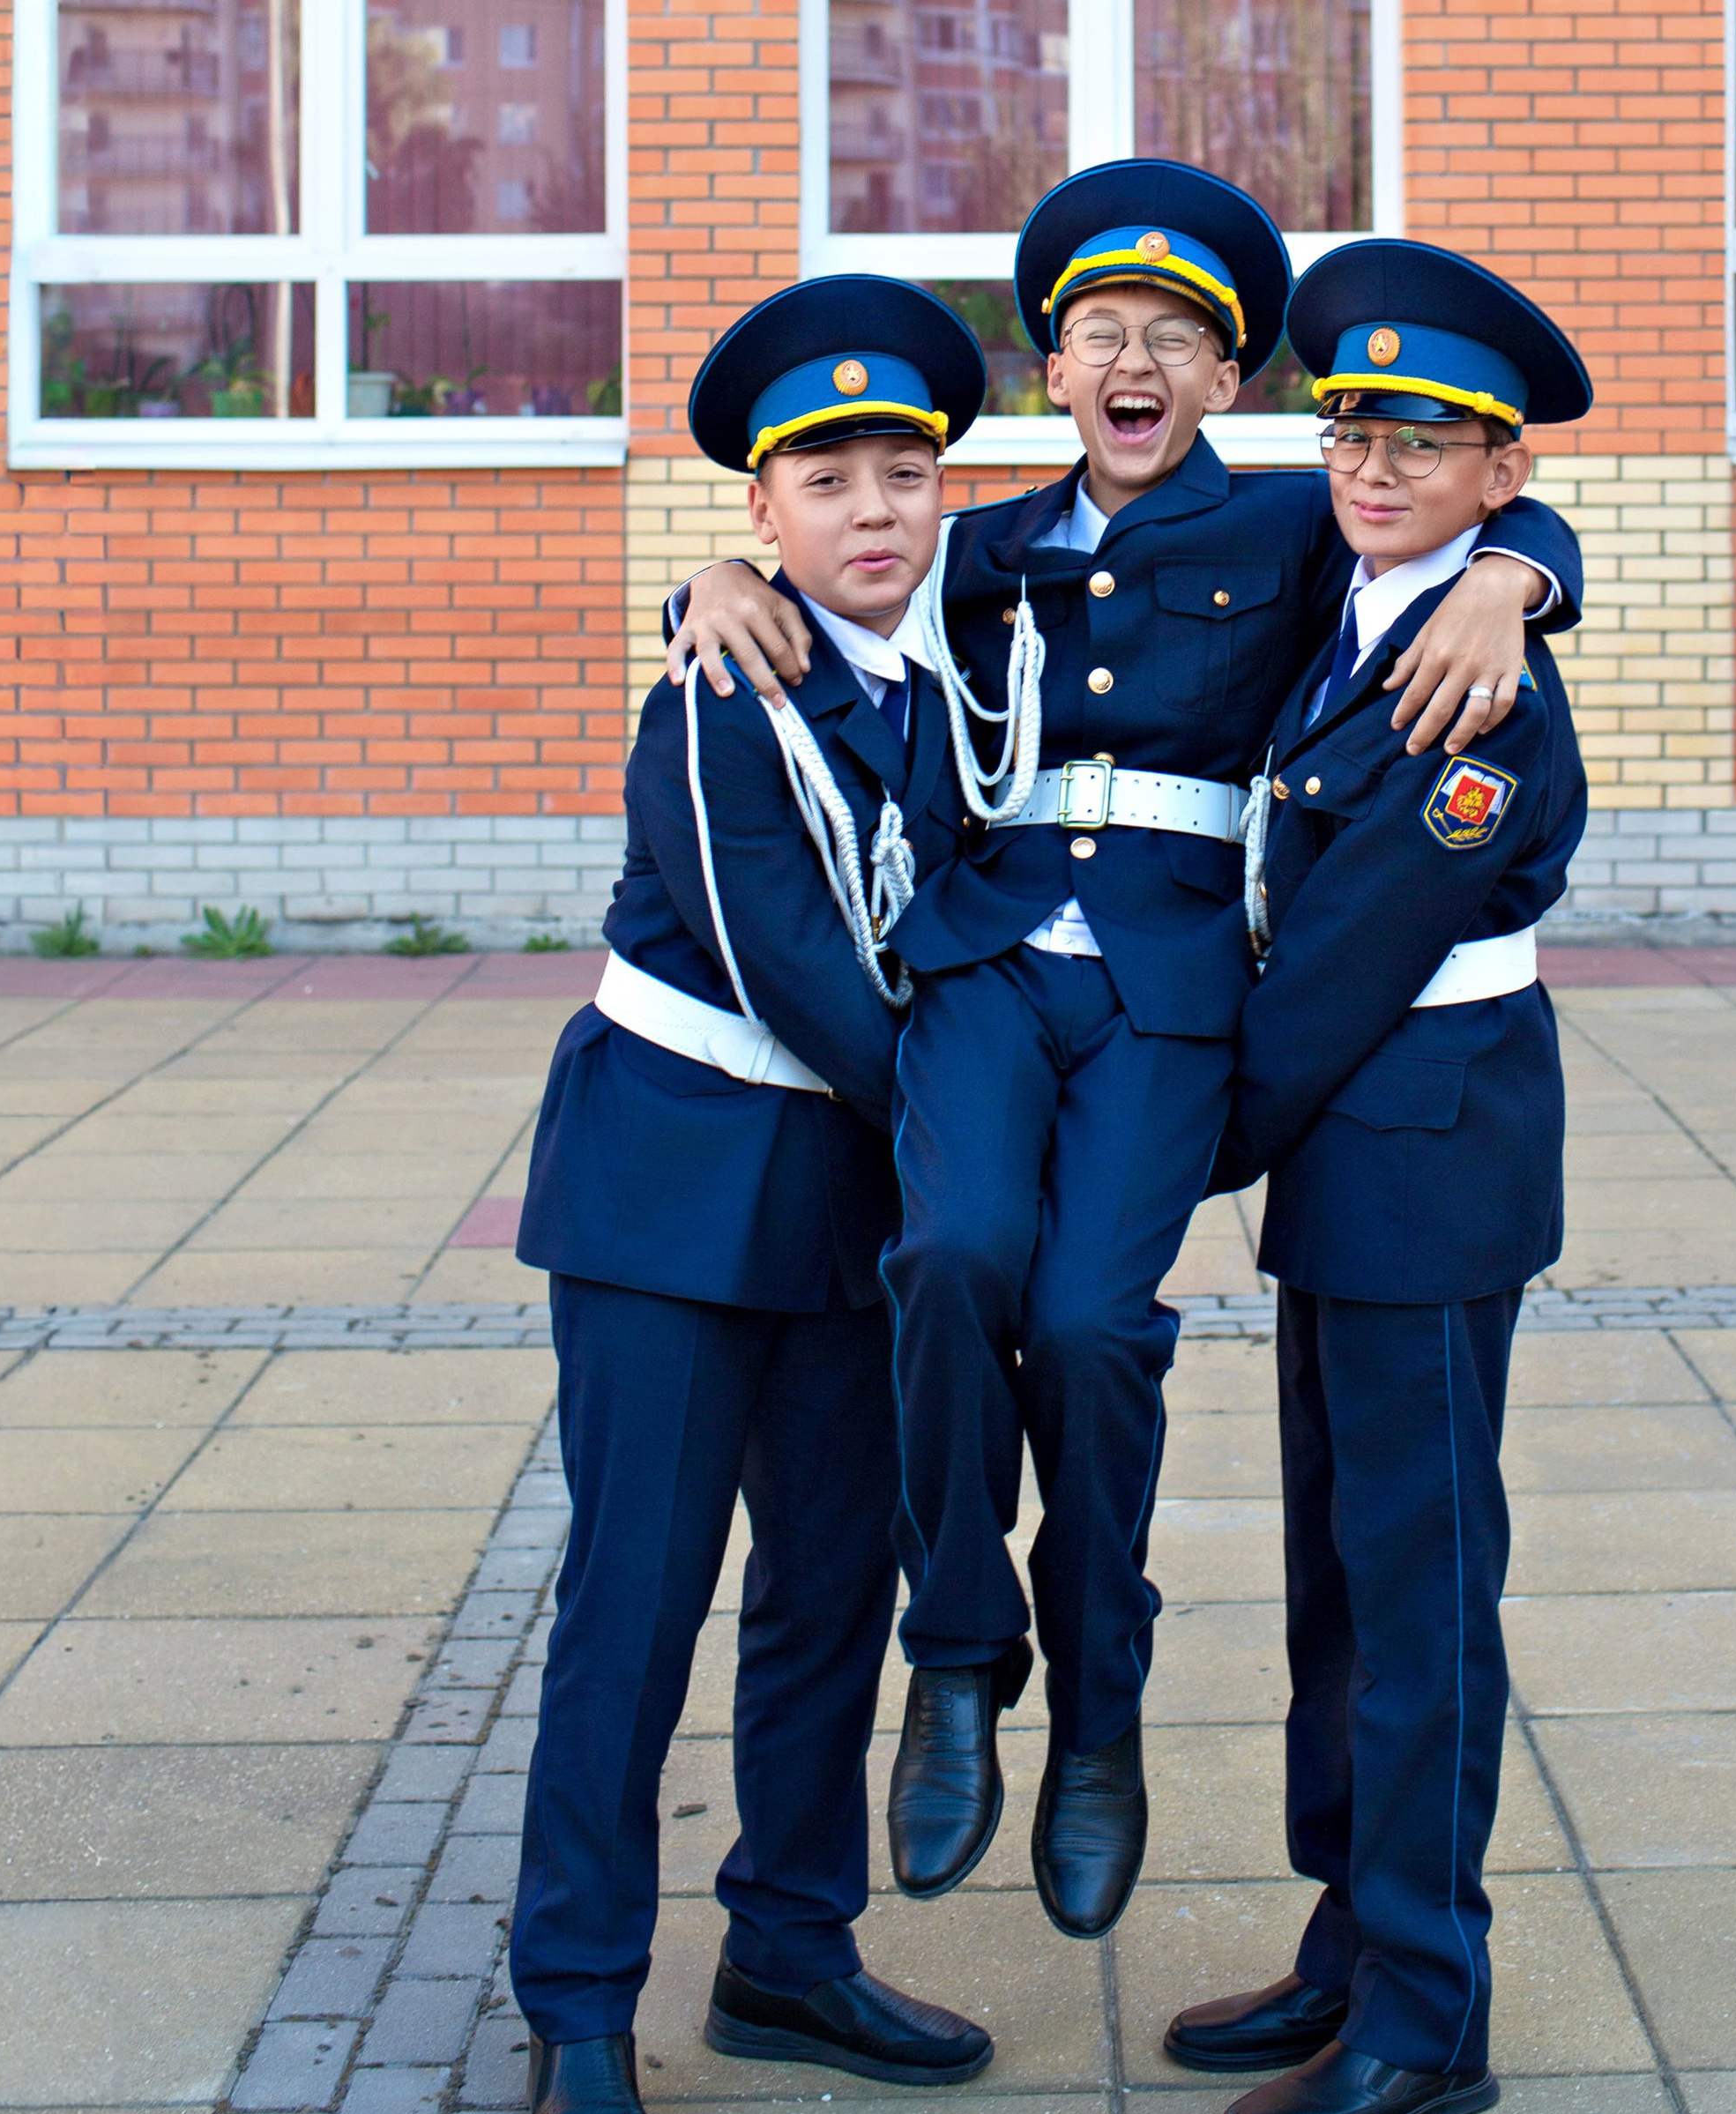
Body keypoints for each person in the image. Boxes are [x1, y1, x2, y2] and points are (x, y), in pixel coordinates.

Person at [662, 162, 1584, 1948]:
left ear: (1227, 385)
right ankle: (956, 1657)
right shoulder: (982, 541)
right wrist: (700, 576)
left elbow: (1460, 517)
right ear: (1054, 374)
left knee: (1090, 1322)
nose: (1133, 360)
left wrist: (1521, 587)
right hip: (991, 963)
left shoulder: (1301, 529)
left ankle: (1097, 1706)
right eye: (1099, 336)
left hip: (1174, 984)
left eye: (1174, 337)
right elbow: (817, 559)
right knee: (939, 1257)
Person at [507, 276, 996, 2114]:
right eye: (824, 481)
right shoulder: (721, 689)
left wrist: (1516, 575)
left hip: (851, 1212)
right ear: (762, 521)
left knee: (827, 1594)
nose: (873, 509)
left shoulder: (962, 664)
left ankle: (788, 1952)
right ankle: (574, 2004)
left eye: (907, 473)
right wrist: (987, 1159)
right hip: (678, 1194)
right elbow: (798, 967)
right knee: (633, 1606)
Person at [1163, 241, 1593, 2114]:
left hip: (1416, 1152)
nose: (1372, 464)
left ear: (1493, 469)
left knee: (1417, 1599)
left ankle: (1427, 2016)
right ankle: (1351, 1942)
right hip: (1359, 1161)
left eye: (1424, 443)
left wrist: (1169, 1141)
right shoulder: (1359, 590)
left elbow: (1344, 951)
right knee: (1340, 1585)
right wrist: (720, 575)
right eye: (1350, 426)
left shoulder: (1475, 686)